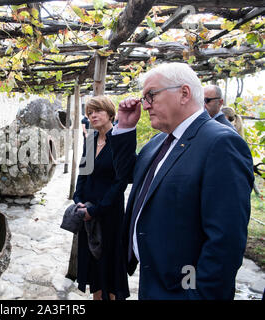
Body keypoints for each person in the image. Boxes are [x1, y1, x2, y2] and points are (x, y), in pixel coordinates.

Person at [109, 62, 254, 299]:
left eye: (151, 96)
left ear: (184, 93)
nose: (145, 106)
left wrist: (198, 295)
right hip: (154, 281)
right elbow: (128, 174)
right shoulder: (160, 141)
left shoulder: (221, 143)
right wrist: (124, 127)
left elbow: (225, 241)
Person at [73, 96, 133, 300]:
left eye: (98, 111)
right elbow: (83, 172)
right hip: (87, 210)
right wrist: (78, 199)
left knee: (109, 263)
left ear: (110, 114)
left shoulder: (119, 140)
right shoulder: (90, 139)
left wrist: (96, 210)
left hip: (109, 213)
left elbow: (120, 182)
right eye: (90, 112)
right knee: (92, 264)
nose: (93, 115)